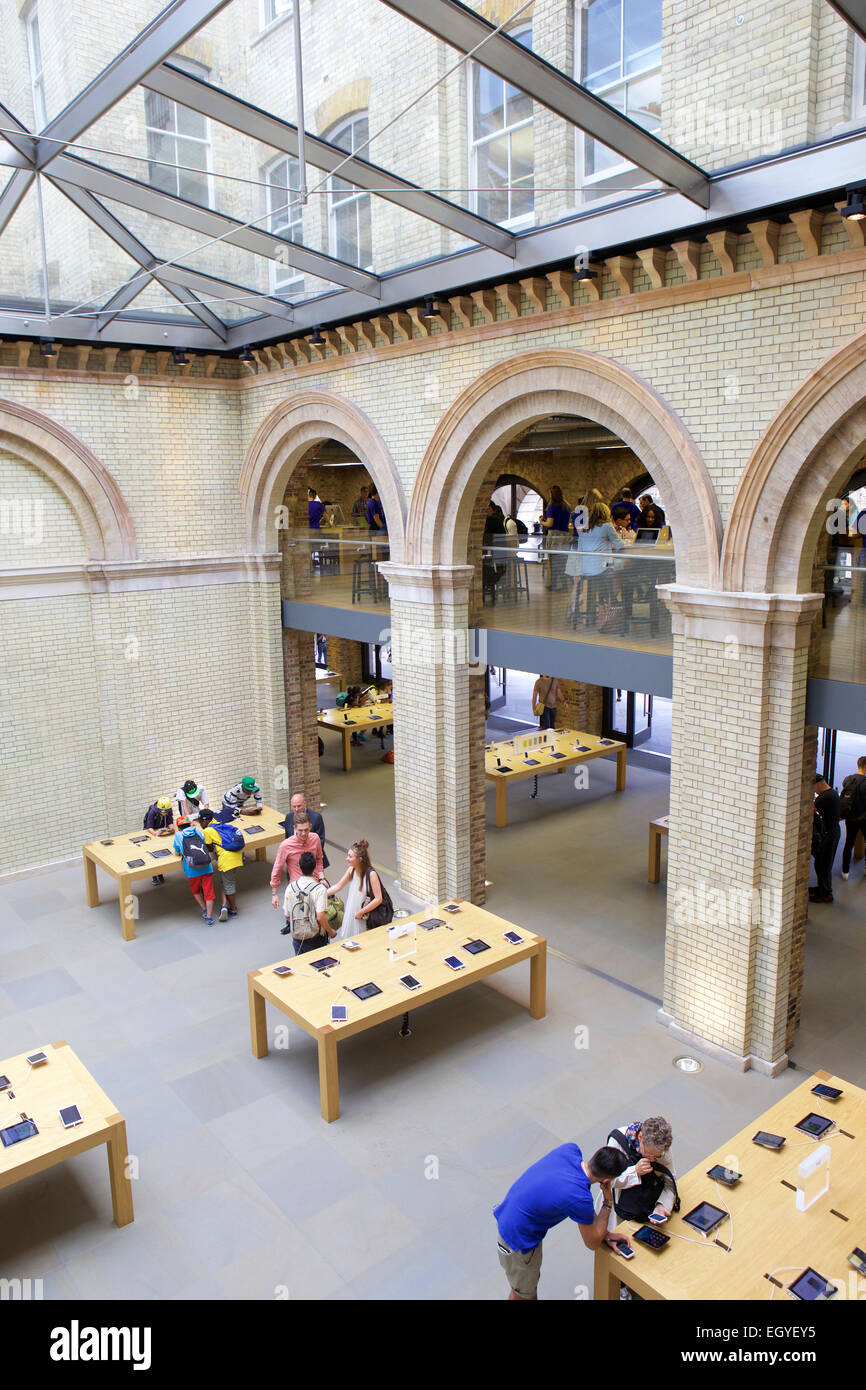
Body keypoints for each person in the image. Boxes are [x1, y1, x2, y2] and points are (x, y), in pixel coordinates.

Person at [494, 1143, 631, 1300]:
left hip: (510, 1216)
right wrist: (607, 1201)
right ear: (607, 1180)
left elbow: (579, 1202)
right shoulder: (579, 1197)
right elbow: (592, 1243)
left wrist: (604, 1234)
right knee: (524, 1294)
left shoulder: (569, 1150)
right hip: (518, 1239)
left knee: (527, 1283)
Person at [565, 490, 625, 625]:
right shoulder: (590, 516)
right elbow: (616, 543)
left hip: (580, 553)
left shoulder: (582, 514)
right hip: (589, 557)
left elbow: (582, 534)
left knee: (580, 582)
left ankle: (578, 610)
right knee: (589, 580)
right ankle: (604, 607)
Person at [602, 1118, 677, 1224]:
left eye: (657, 1156)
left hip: (647, 1205)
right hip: (618, 1208)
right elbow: (607, 1180)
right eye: (649, 1154)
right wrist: (635, 1172)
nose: (652, 1159)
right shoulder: (617, 1141)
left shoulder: (663, 1149)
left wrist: (662, 1205)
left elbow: (671, 1182)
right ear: (640, 1137)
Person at [270, 812, 325, 916]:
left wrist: (322, 878)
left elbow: (319, 860)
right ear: (294, 828)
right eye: (300, 830)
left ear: (310, 826)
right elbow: (277, 869)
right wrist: (274, 893)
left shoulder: (315, 838)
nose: (304, 833)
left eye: (306, 830)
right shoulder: (285, 845)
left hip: (315, 888)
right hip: (296, 891)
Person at [280, 850, 334, 953]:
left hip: (298, 937)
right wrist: (331, 932)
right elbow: (320, 917)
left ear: (299, 867)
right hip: (316, 937)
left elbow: (287, 915)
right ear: (314, 868)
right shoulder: (319, 889)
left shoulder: (291, 887)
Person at [199, 807, 244, 922]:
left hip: (226, 860)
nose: (200, 824)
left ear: (205, 820)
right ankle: (224, 906)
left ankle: (233, 909)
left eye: (201, 821)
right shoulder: (219, 824)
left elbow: (209, 847)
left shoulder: (207, 831)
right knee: (226, 882)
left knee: (229, 885)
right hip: (237, 856)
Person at [172, 816, 216, 924]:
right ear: (189, 824)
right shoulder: (197, 831)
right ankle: (209, 917)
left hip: (191, 869)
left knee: (196, 891)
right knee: (208, 892)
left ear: (178, 828)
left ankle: (204, 909)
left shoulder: (178, 835)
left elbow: (177, 851)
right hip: (206, 866)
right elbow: (205, 841)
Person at [327, 840, 372, 939]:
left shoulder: (371, 874)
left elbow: (378, 898)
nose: (347, 859)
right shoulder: (351, 870)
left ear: (359, 859)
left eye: (350, 856)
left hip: (364, 913)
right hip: (353, 910)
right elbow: (338, 886)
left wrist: (361, 912)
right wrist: (321, 894)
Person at [811, 773, 841, 904]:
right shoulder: (832, 793)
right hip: (832, 832)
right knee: (821, 863)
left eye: (813, 788)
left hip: (829, 835)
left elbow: (815, 816)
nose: (814, 791)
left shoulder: (823, 799)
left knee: (823, 864)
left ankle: (826, 894)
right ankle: (822, 889)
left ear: (817, 784)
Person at [282, 792, 329, 870]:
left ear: (305, 804)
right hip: (293, 861)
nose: (296, 809)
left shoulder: (316, 817)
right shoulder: (288, 817)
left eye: (299, 806)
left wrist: (307, 858)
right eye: (294, 807)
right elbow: (287, 838)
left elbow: (320, 841)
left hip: (310, 860)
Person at [539, 485, 571, 590]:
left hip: (555, 536)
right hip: (565, 535)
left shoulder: (552, 507)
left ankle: (553, 584)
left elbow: (550, 523)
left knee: (553, 560)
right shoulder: (567, 506)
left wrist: (541, 521)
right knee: (563, 561)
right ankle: (565, 584)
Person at [840, 755, 866, 879]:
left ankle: (845, 871)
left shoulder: (848, 779)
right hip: (863, 818)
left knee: (848, 843)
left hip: (850, 818)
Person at [143, 796, 174, 885]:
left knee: (161, 852)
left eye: (166, 812)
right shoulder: (153, 811)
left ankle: (160, 873)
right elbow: (149, 827)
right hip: (151, 831)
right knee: (153, 853)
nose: (164, 813)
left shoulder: (169, 810)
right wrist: (155, 833)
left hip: (161, 830)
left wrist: (171, 828)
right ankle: (154, 875)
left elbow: (170, 821)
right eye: (162, 812)